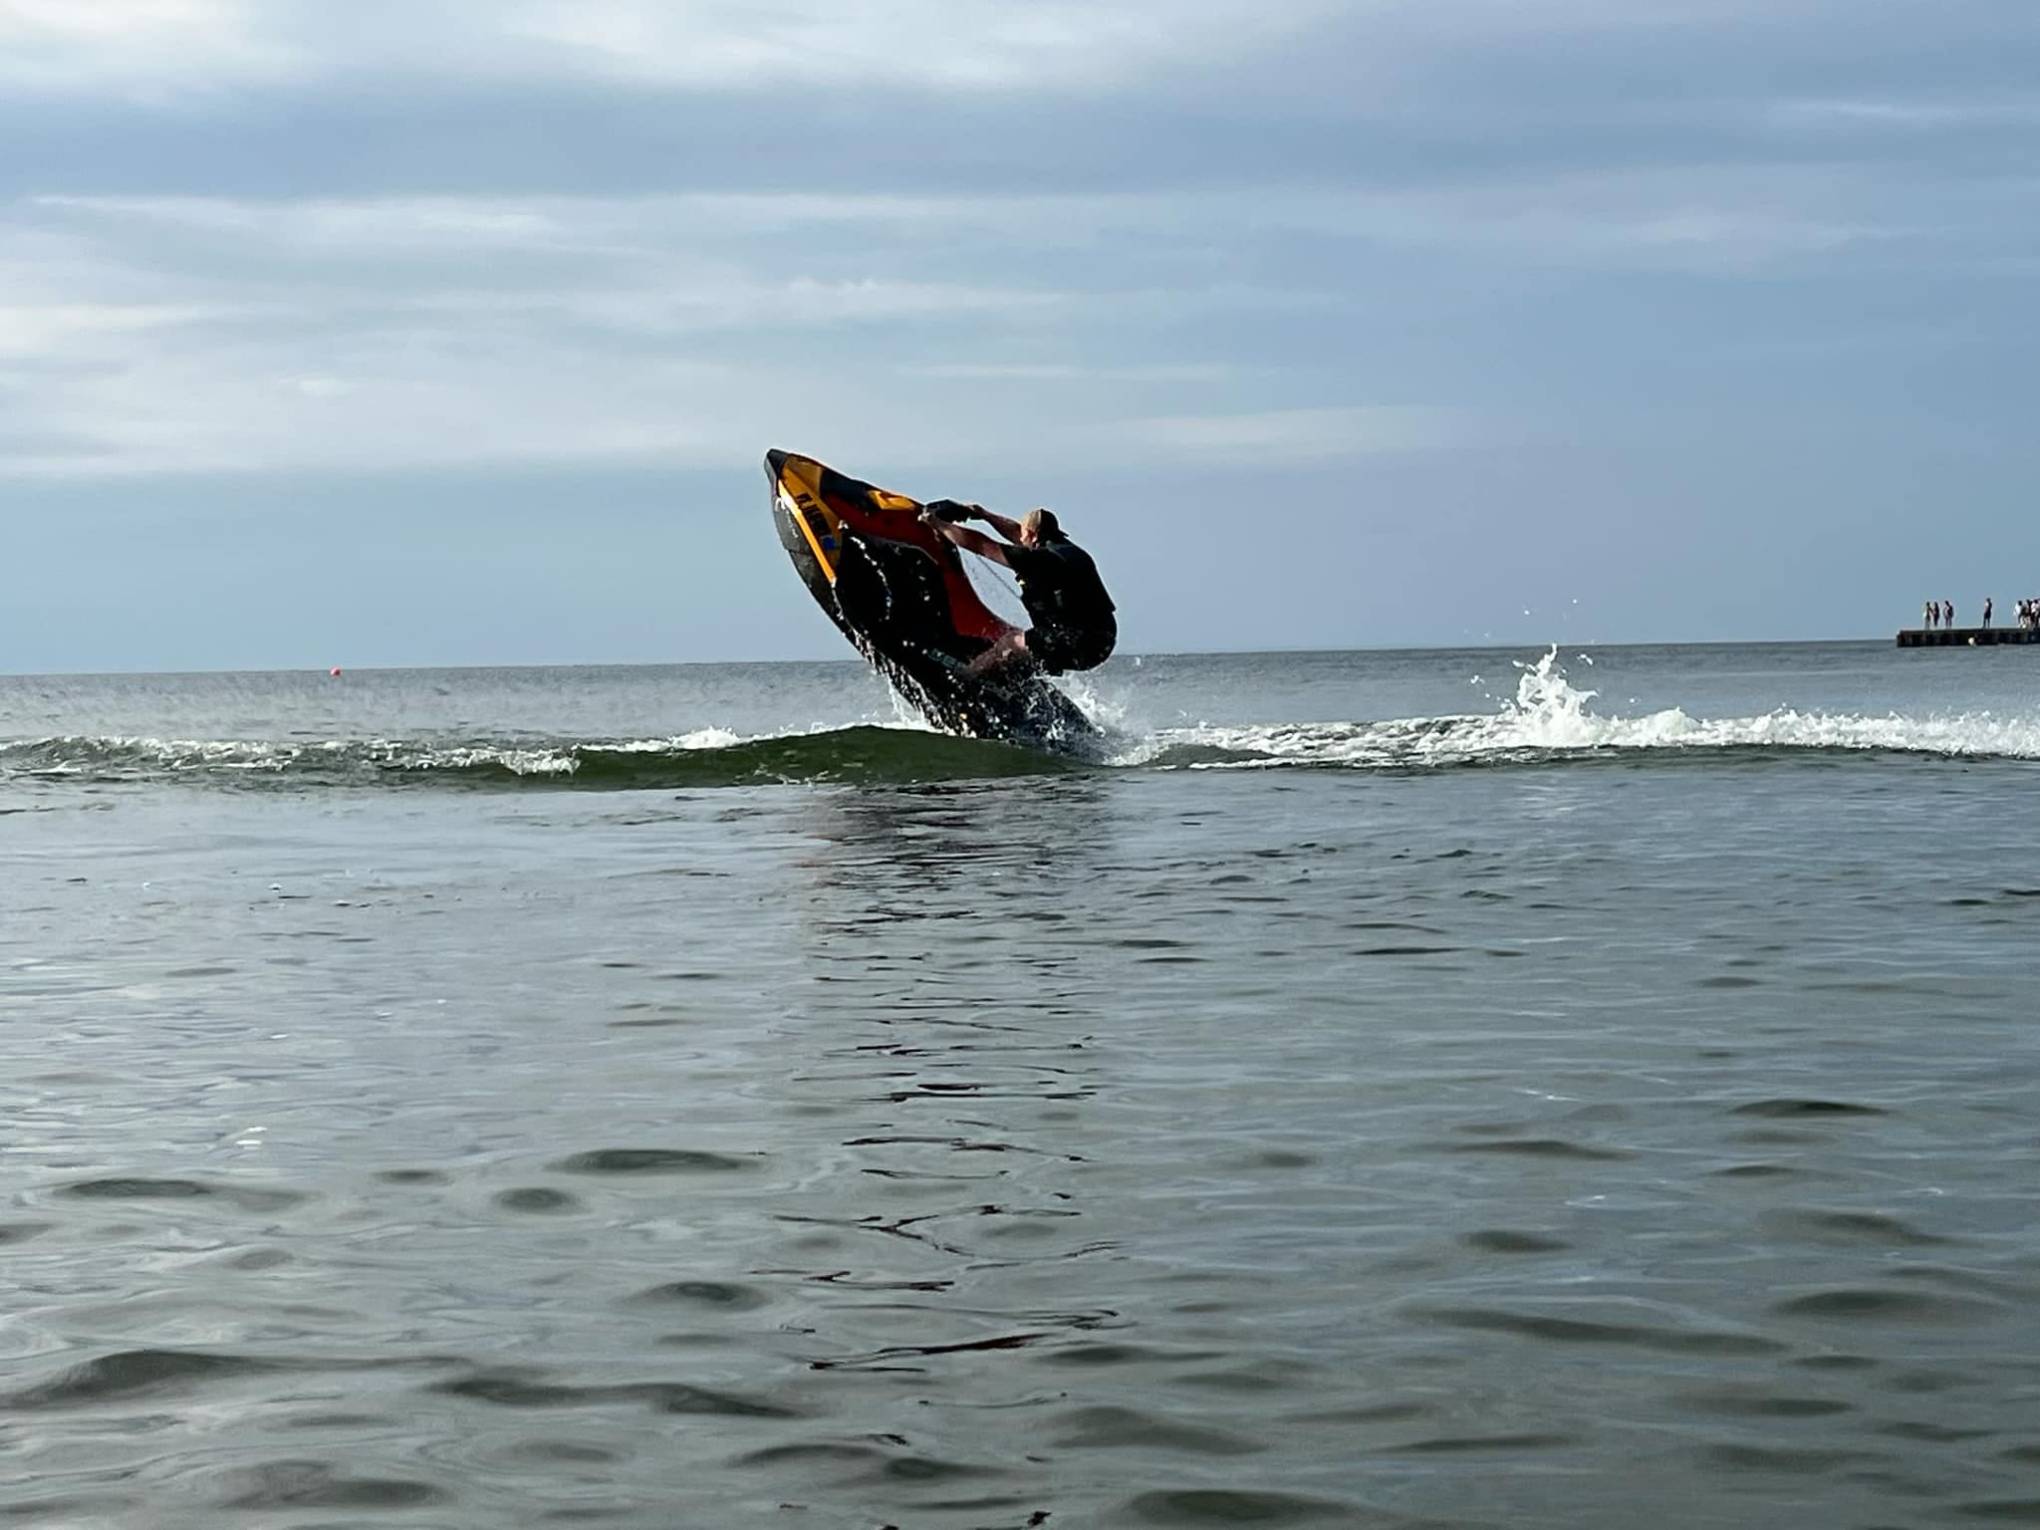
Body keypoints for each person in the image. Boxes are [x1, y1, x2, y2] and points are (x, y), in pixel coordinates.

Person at [919, 500, 1117, 677]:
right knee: (1024, 648)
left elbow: (981, 544)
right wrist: (984, 514)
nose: (1018, 539)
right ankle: (1017, 683)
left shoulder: (1039, 560)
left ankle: (965, 675)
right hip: (1102, 640)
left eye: (1023, 536)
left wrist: (938, 525)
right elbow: (1018, 532)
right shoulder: (1062, 549)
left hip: (1077, 642)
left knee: (1011, 641)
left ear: (1031, 534)